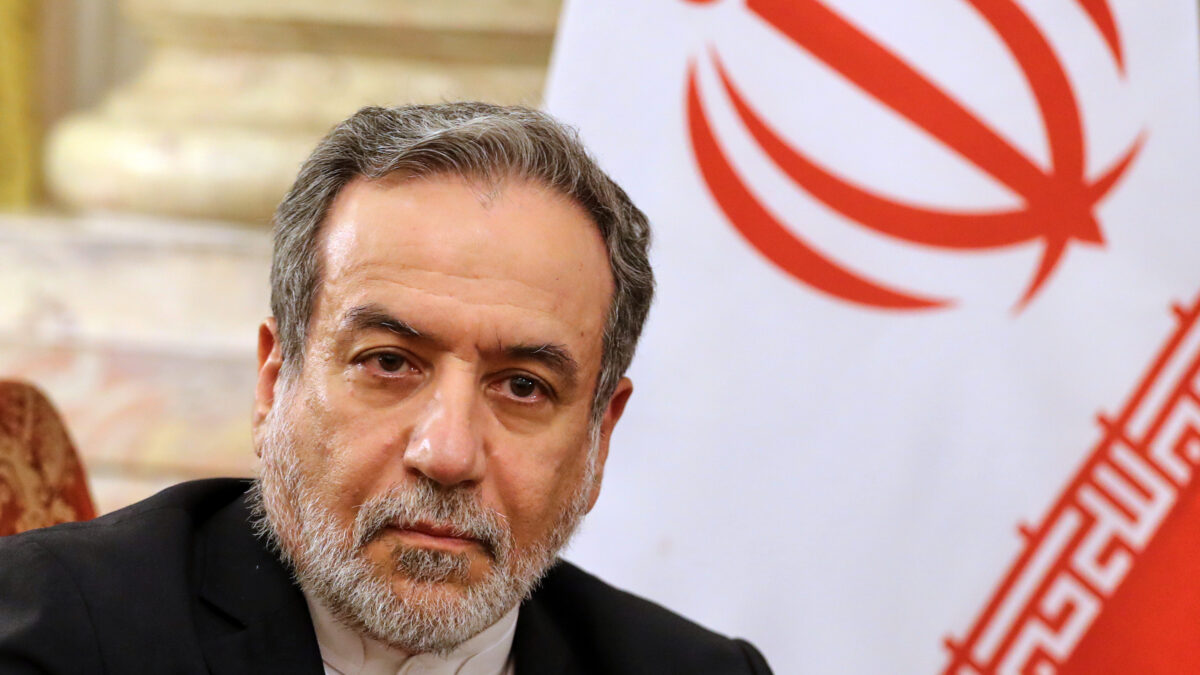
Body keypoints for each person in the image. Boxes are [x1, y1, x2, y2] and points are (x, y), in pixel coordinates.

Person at [0, 103, 773, 674]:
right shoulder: (57, 635)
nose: (447, 452)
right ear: (277, 379)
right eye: (390, 363)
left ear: (600, 437)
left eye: (524, 387)